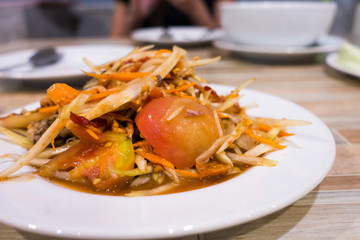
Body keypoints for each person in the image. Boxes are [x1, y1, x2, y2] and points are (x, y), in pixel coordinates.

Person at [110, 0, 233, 37]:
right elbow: (116, 40)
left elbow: (227, 38)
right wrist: (135, 16)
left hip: (204, 61)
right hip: (144, 58)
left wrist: (195, 9)